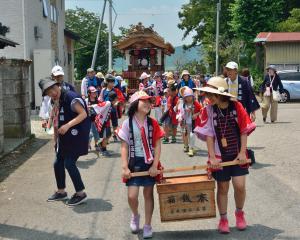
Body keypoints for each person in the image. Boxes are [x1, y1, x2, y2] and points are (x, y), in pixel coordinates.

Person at [194, 76, 256, 234]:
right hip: (219, 156)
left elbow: (244, 130)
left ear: (220, 94)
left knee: (240, 186)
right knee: (222, 187)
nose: (208, 98)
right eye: (207, 95)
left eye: (211, 95)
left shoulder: (237, 107)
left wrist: (243, 152)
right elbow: (209, 135)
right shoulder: (208, 109)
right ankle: (223, 219)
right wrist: (212, 157)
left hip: (237, 154)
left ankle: (239, 213)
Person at [116, 91, 164, 239]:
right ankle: (135, 215)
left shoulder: (153, 123)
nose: (149, 105)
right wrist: (124, 166)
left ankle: (148, 224)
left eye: (150, 102)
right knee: (132, 196)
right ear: (136, 104)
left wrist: (155, 165)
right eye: (145, 102)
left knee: (148, 194)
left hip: (149, 163)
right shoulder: (127, 123)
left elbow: (157, 145)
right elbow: (124, 146)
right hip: (134, 162)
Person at [39, 77, 91, 206]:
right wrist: (55, 140)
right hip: (65, 138)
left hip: (77, 136)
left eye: (53, 89)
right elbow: (56, 121)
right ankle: (61, 192)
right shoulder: (57, 100)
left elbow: (83, 114)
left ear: (57, 85)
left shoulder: (70, 97)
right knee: (58, 162)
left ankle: (80, 193)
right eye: (48, 92)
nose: (52, 93)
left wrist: (68, 125)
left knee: (69, 163)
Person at [39, 65, 75, 129]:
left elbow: (74, 101)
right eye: (56, 76)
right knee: (56, 134)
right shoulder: (48, 88)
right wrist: (44, 119)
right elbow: (44, 104)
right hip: (55, 117)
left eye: (60, 75)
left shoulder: (69, 87)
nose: (59, 78)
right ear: (52, 76)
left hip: (69, 116)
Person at [177, 86, 202, 157]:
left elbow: (202, 110)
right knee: (187, 135)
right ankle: (188, 146)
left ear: (192, 96)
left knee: (192, 135)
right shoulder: (183, 104)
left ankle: (191, 148)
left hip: (193, 122)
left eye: (190, 96)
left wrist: (196, 114)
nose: (188, 98)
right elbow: (179, 112)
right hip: (186, 122)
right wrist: (180, 118)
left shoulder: (196, 103)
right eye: (187, 97)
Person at [98, 92, 119, 156]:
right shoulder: (108, 103)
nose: (116, 100)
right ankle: (103, 149)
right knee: (106, 136)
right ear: (114, 99)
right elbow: (99, 107)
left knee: (108, 135)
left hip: (106, 122)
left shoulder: (110, 104)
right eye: (116, 99)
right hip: (103, 123)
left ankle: (101, 145)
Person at [85, 86, 101, 151]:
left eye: (95, 92)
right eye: (93, 92)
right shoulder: (86, 101)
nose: (95, 93)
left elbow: (101, 109)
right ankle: (87, 145)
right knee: (89, 134)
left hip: (96, 120)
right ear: (89, 93)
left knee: (96, 134)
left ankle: (96, 145)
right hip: (88, 120)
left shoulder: (98, 100)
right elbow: (83, 109)